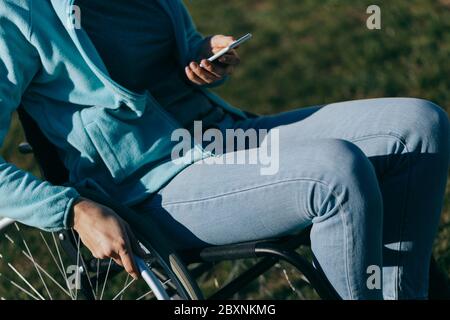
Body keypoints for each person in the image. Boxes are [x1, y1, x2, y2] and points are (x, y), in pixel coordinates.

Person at [0, 0, 448, 300]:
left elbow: (162, 57)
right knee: (335, 173)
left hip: (223, 136)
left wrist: (199, 57)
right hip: (150, 187)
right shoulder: (18, 14)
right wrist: (73, 210)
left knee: (419, 127)